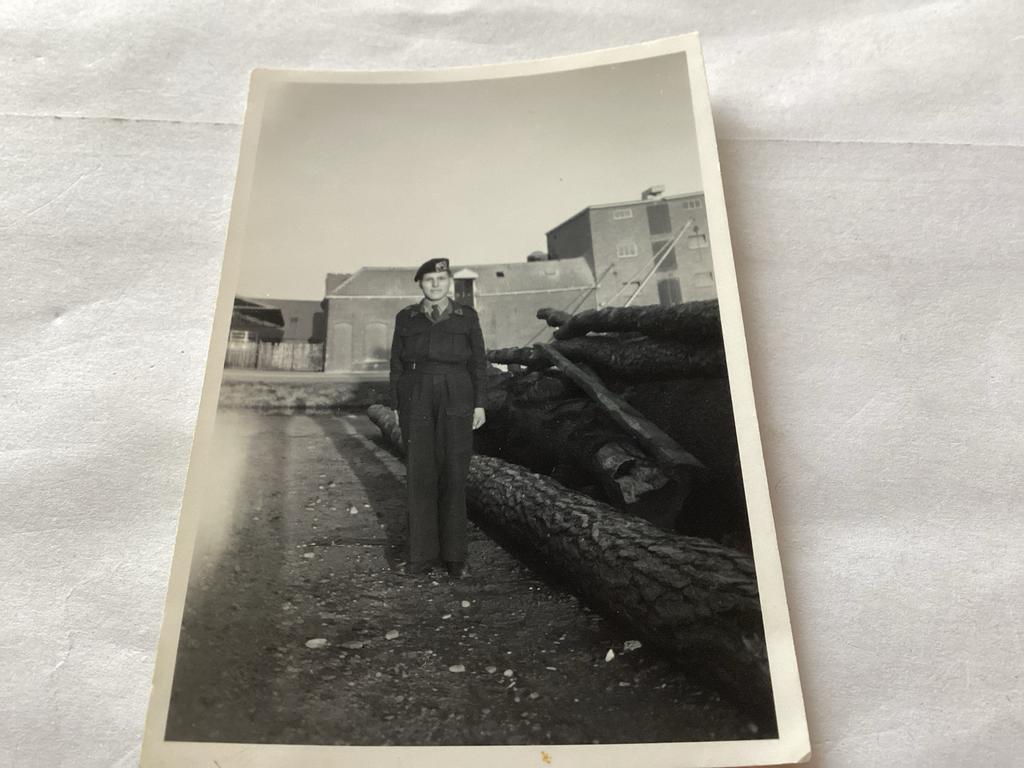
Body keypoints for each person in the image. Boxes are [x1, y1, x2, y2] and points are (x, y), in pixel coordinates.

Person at [389, 258, 487, 579]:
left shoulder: (467, 317)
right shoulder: (407, 317)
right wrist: (395, 404)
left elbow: (478, 364)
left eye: (441, 278)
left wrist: (479, 404)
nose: (435, 284)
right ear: (420, 283)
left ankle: (455, 557)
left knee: (455, 474)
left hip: (457, 392)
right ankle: (420, 557)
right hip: (416, 394)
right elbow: (396, 365)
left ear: (450, 283)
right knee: (420, 475)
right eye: (429, 279)